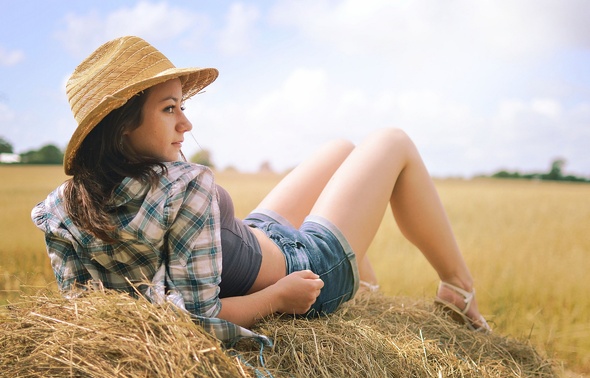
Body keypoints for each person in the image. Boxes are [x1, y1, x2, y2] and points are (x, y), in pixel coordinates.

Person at [32, 36, 490, 345]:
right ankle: (458, 289)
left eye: (182, 106)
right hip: (305, 265)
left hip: (252, 237)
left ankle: (368, 285)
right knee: (393, 141)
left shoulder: (61, 208)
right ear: (122, 128)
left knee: (341, 148)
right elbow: (198, 319)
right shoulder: (185, 185)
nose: (186, 124)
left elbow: (87, 313)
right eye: (169, 109)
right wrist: (278, 299)